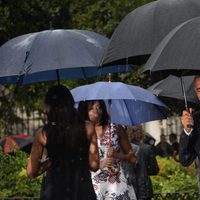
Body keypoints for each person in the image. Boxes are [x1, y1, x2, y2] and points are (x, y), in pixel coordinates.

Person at [27, 85, 99, 200]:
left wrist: (50, 162)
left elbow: (32, 172)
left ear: (50, 106)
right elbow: (94, 166)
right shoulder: (88, 127)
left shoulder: (43, 134)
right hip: (82, 190)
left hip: (54, 192)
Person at [78, 100, 137, 199]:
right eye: (91, 108)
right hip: (92, 185)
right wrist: (98, 165)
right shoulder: (80, 132)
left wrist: (117, 155)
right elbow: (75, 160)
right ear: (84, 111)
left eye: (98, 107)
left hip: (116, 185)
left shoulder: (115, 128)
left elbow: (133, 159)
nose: (96, 110)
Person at [125, 126, 159, 200]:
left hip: (128, 186)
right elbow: (155, 170)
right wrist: (144, 171)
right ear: (142, 133)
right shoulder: (147, 148)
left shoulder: (124, 149)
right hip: (145, 187)